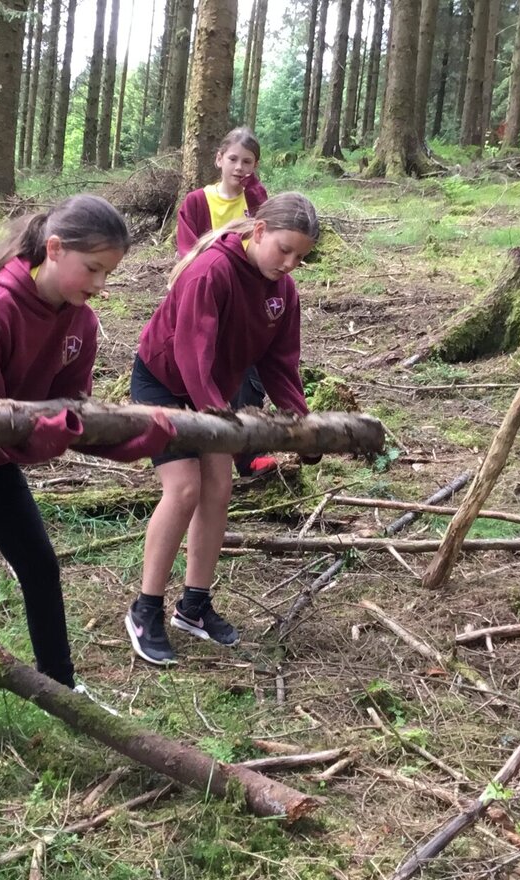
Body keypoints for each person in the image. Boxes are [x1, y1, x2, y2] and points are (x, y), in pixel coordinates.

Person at [0, 194, 175, 817]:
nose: (100, 285)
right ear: (53, 249)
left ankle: (60, 689)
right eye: (92, 269)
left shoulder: (81, 322)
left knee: (41, 568)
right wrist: (50, 436)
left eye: (110, 273)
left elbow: (68, 420)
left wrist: (140, 441)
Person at [125, 193, 323, 667]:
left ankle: (193, 605)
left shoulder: (282, 291)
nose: (290, 263)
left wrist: (302, 421)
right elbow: (193, 352)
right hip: (165, 383)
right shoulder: (212, 270)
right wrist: (216, 415)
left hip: (217, 390)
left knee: (219, 488)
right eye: (284, 250)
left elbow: (280, 363)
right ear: (258, 232)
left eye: (301, 256)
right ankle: (144, 609)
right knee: (185, 487)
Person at [176, 127, 278, 479]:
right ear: (219, 159)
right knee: (205, 366)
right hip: (207, 291)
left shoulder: (255, 200)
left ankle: (250, 455)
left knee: (248, 372)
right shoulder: (197, 200)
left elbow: (270, 235)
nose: (239, 167)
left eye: (247, 162)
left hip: (248, 298)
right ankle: (204, 441)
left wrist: (255, 192)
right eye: (233, 159)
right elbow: (187, 251)